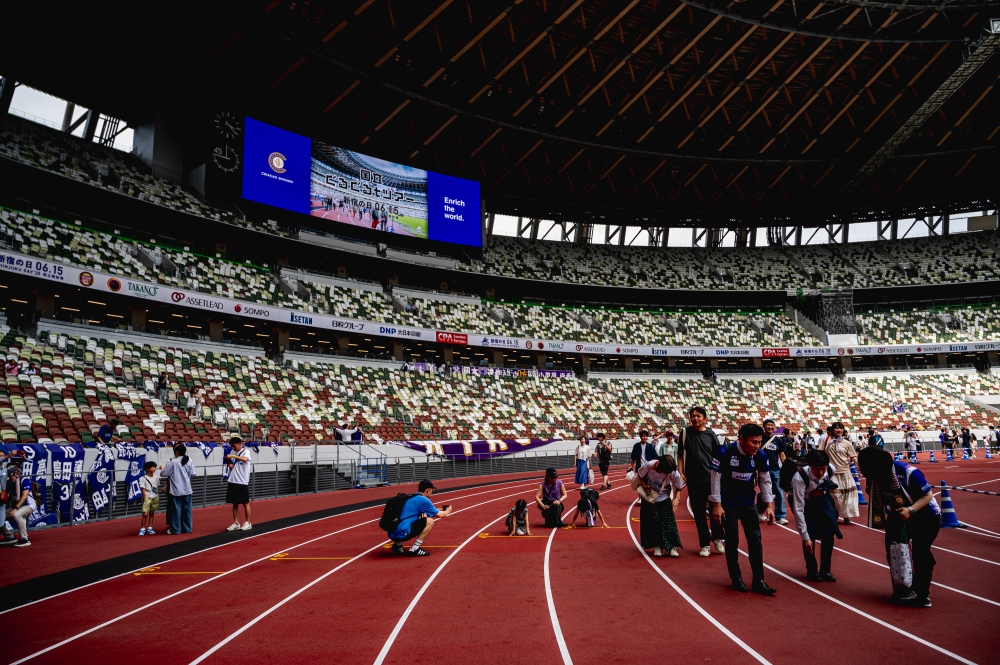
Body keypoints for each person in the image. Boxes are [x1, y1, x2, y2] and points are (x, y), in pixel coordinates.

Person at [857, 446, 941, 607]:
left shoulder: (909, 472)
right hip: (898, 514)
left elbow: (928, 495)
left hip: (924, 514)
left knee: (920, 553)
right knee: (894, 550)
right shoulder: (873, 476)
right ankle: (904, 588)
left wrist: (911, 510)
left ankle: (922, 593)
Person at [710, 423, 776, 595]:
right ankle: (736, 578)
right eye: (753, 442)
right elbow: (715, 479)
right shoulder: (724, 452)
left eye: (759, 442)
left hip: (748, 502)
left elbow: (765, 480)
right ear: (741, 439)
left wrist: (768, 505)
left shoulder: (760, 455)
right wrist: (717, 505)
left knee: (755, 539)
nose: (757, 446)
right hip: (728, 503)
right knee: (732, 541)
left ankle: (759, 580)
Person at [677, 406, 725, 557]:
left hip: (711, 479)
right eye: (692, 416)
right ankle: (705, 544)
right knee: (698, 514)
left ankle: (717, 538)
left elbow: (718, 456)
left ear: (705, 418)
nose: (695, 419)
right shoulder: (685, 433)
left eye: (698, 416)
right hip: (694, 479)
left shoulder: (711, 435)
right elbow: (680, 455)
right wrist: (681, 471)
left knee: (715, 512)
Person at [790, 449, 842, 582]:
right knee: (810, 535)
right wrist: (804, 535)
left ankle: (825, 570)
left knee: (829, 533)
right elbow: (799, 509)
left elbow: (826, 482)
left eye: (823, 469)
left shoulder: (831, 469)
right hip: (804, 502)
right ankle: (812, 570)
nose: (820, 473)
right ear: (810, 465)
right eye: (816, 469)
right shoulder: (799, 478)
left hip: (820, 497)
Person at [635, 454, 685, 557]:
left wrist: (677, 499)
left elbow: (679, 486)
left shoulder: (672, 471)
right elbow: (640, 476)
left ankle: (671, 546)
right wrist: (645, 486)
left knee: (668, 523)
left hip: (664, 498)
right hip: (650, 498)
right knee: (654, 522)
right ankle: (658, 546)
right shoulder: (649, 465)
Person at [388, 479, 452, 556]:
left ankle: (397, 545)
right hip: (403, 533)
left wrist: (435, 511)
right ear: (428, 490)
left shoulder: (411, 497)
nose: (432, 493)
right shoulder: (424, 500)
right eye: (432, 490)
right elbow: (441, 515)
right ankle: (415, 549)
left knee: (419, 517)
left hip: (392, 533)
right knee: (430, 521)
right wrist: (448, 511)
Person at [821, 422, 859, 524]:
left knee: (848, 495)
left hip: (845, 472)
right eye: (837, 428)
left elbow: (852, 455)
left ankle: (846, 516)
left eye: (841, 428)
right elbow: (820, 452)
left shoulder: (846, 443)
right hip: (832, 472)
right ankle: (835, 512)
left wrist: (855, 460)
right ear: (832, 430)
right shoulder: (826, 441)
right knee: (835, 496)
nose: (839, 430)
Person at [160, 443, 197, 535]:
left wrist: (162, 469)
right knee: (187, 510)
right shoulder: (189, 461)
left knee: (176, 510)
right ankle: (187, 528)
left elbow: (164, 474)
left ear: (176, 452)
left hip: (176, 490)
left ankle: (176, 529)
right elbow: (193, 474)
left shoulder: (173, 462)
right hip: (187, 489)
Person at [758, 419, 788, 525]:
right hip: (762, 470)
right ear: (764, 427)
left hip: (775, 469)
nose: (770, 427)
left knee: (779, 492)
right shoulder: (760, 438)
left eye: (772, 425)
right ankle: (760, 512)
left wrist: (786, 467)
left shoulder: (777, 440)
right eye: (768, 425)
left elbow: (782, 454)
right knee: (764, 492)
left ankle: (780, 516)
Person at [224, 437, 252, 531]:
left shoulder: (245, 451)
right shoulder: (233, 452)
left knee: (245, 503)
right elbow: (233, 467)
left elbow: (245, 459)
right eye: (231, 446)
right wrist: (228, 462)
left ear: (239, 444)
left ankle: (248, 522)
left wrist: (233, 456)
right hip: (233, 480)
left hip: (242, 481)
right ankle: (236, 522)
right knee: (234, 503)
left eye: (234, 445)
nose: (232, 447)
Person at [3, 463, 35, 547]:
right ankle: (9, 536)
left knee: (17, 515)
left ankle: (25, 539)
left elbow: (25, 496)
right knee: (0, 516)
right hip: (15, 506)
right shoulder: (8, 483)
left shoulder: (23, 480)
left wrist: (15, 508)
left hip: (28, 505)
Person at [138, 461, 161, 536]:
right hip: (148, 497)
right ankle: (142, 529)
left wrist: (158, 495)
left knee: (152, 513)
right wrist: (145, 498)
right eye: (152, 467)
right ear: (147, 469)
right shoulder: (144, 478)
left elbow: (157, 488)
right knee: (145, 514)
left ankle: (150, 528)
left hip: (154, 497)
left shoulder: (156, 478)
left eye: (154, 467)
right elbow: (143, 490)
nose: (154, 468)